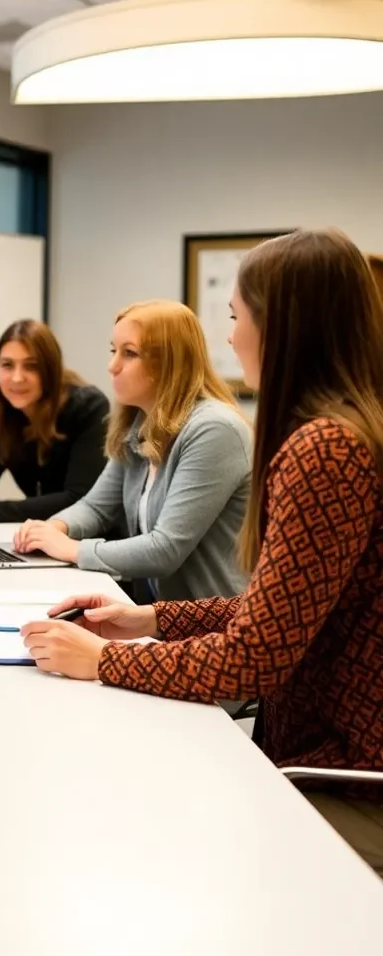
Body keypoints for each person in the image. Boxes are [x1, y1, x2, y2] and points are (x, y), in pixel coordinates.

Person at [22, 229, 383, 878]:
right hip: (323, 756)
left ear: (281, 325)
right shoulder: (347, 431)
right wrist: (150, 621)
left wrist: (104, 661)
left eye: (236, 317)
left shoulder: (325, 448)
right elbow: (274, 610)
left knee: (142, 844)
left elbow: (253, 658)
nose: (232, 337)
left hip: (344, 779)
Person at [13, 300, 251, 602]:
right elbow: (96, 508)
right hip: (157, 620)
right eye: (114, 351)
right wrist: (50, 530)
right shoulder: (140, 422)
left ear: (168, 362)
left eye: (129, 353)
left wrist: (71, 549)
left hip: (213, 628)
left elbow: (165, 549)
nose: (112, 366)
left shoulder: (215, 429)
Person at [0, 319, 109, 523]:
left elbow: (78, 499)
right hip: (39, 535)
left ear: (51, 370)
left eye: (31, 366)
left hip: (86, 539)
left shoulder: (88, 407)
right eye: (7, 365)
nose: (17, 378)